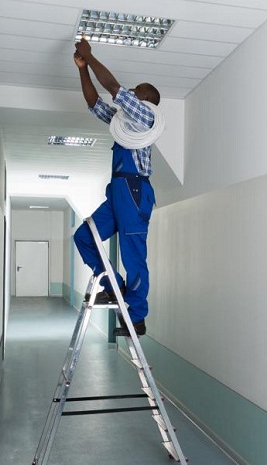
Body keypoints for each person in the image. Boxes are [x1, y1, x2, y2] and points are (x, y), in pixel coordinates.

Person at [71, 37, 162, 337]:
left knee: (133, 256)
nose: (132, 94)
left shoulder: (145, 118)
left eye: (138, 92)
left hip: (135, 192)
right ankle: (113, 288)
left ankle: (136, 317)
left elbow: (114, 89)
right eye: (134, 91)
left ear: (146, 99)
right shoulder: (123, 123)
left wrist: (91, 55)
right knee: (85, 236)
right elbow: (94, 104)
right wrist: (83, 68)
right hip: (118, 192)